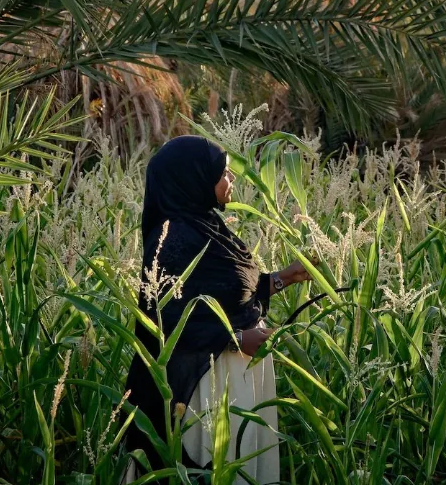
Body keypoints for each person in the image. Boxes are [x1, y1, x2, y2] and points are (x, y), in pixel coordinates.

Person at [123, 135, 313, 483]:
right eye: (224, 173)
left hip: (236, 375)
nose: (232, 179)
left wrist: (284, 278)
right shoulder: (174, 238)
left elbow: (225, 293)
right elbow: (167, 316)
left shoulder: (207, 225)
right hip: (204, 386)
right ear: (193, 179)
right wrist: (235, 338)